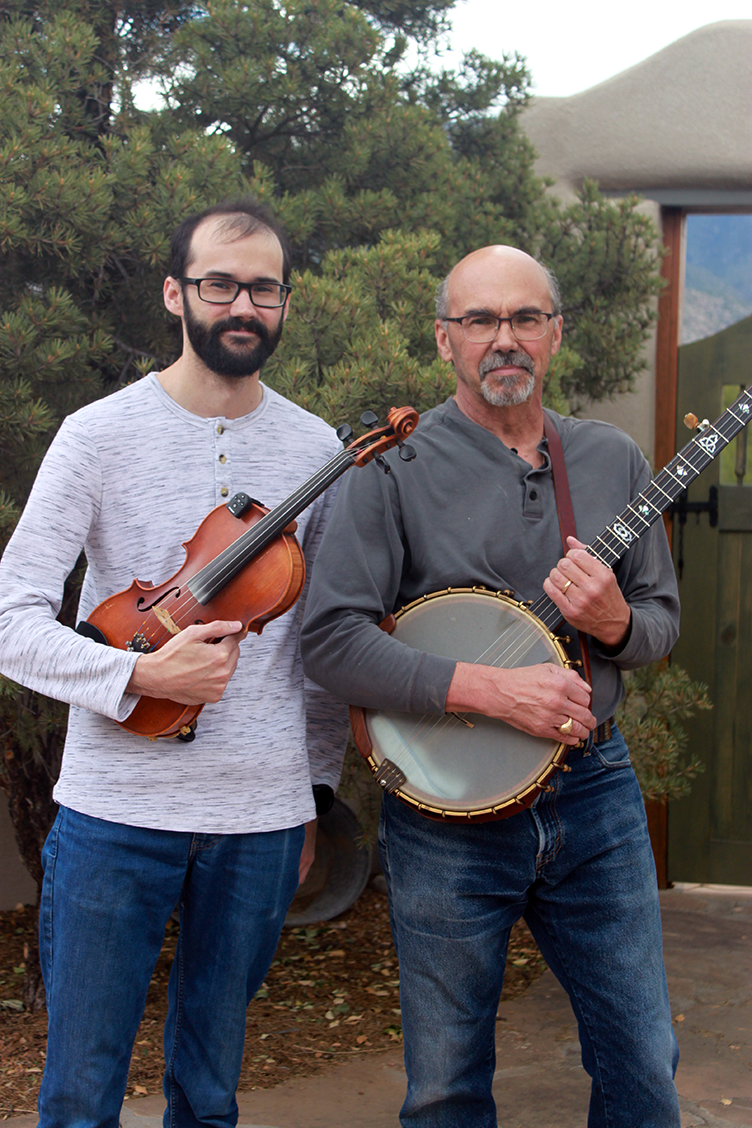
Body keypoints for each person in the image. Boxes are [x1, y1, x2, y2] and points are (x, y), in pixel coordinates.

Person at [300, 245, 682, 1127]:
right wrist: (489, 690)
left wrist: (615, 622)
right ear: (445, 340)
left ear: (555, 335)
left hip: (595, 796)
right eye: (480, 320)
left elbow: (658, 624)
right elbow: (330, 639)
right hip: (445, 814)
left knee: (642, 1062)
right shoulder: (389, 466)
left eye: (525, 319)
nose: (503, 339)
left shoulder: (610, 457)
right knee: (445, 1085)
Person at [0, 198, 348, 1127]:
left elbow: (317, 656)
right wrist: (135, 679)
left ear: (283, 302)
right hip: (115, 813)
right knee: (80, 1096)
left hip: (261, 824)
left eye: (263, 289)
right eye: (220, 284)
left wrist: (311, 796)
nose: (243, 305)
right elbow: (11, 616)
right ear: (175, 293)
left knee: (211, 1094)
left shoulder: (319, 450)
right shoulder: (97, 434)